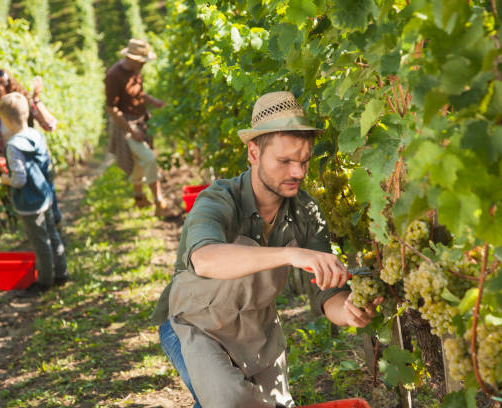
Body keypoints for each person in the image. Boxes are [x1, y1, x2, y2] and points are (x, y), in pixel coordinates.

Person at [151, 91, 384, 407]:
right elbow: (205, 259)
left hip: (258, 335)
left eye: (303, 161)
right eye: (285, 161)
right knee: (230, 401)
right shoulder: (219, 199)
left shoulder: (307, 212)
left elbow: (326, 295)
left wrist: (348, 311)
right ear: (253, 153)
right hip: (195, 326)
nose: (298, 173)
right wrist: (290, 254)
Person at [0, 92, 68, 295]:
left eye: (1, 121)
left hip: (29, 203)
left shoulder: (13, 146)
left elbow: (19, 180)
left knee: (40, 242)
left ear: (8, 121)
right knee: (52, 235)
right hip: (44, 195)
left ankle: (45, 281)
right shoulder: (37, 135)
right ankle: (62, 273)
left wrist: (5, 179)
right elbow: (46, 165)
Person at [0, 68, 62, 224]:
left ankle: (55, 232)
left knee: (47, 199)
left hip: (33, 162)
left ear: (7, 88)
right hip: (11, 162)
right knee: (24, 202)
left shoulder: (21, 103)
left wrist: (36, 100)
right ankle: (40, 237)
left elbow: (50, 125)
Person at [104, 38, 171, 217]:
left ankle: (139, 197)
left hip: (140, 121)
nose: (144, 64)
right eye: (142, 61)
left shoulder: (135, 70)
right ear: (131, 58)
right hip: (125, 126)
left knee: (137, 161)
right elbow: (111, 108)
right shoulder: (113, 76)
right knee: (148, 159)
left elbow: (137, 92)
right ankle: (160, 203)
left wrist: (151, 101)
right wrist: (131, 130)